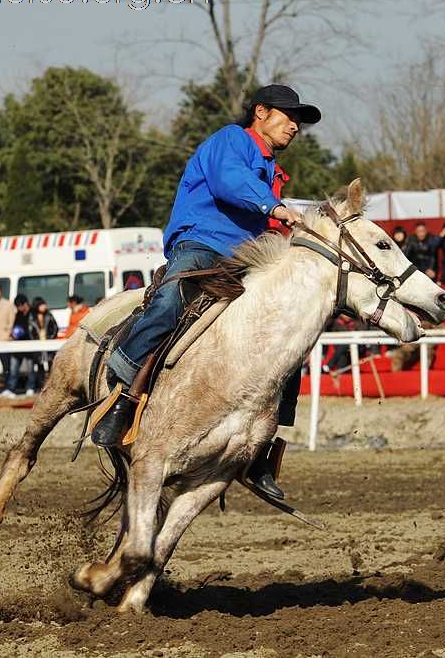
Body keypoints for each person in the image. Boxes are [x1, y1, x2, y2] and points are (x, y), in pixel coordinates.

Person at [92, 83, 321, 500]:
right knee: (167, 303)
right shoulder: (232, 141)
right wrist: (276, 208)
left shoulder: (273, 169)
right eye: (289, 116)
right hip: (202, 244)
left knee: (288, 345)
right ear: (261, 112)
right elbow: (229, 182)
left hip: (245, 259)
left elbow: (265, 220)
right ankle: (120, 394)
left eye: (298, 121)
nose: (295, 126)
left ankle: (262, 450)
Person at [2, 294, 37, 398]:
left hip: (30, 345)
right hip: (18, 346)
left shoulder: (33, 313)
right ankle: (11, 388)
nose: (19, 308)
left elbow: (34, 329)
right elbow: (16, 327)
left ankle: (30, 387)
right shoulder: (18, 314)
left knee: (31, 369)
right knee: (13, 369)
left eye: (19, 306)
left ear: (25, 304)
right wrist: (13, 334)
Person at [28, 296, 59, 386]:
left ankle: (52, 384)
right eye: (41, 305)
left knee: (51, 364)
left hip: (49, 344)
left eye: (44, 304)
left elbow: (55, 328)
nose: (44, 307)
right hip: (38, 345)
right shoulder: (32, 317)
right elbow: (30, 331)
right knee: (39, 365)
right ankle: (42, 385)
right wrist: (35, 342)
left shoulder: (49, 315)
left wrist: (51, 338)